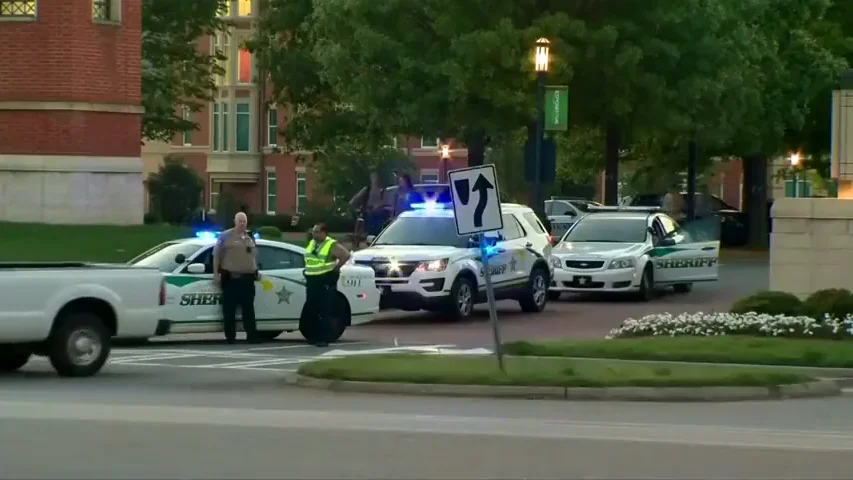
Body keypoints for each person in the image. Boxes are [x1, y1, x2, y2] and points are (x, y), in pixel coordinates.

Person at [300, 222, 351, 347]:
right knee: (311, 309)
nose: (314, 234)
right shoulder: (312, 243)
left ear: (324, 233)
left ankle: (323, 338)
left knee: (324, 310)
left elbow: (346, 255)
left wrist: (336, 269)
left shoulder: (331, 244)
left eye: (317, 231)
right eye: (313, 231)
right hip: (312, 280)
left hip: (324, 280)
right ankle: (313, 336)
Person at [213, 212, 260, 344]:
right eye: (240, 221)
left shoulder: (250, 236)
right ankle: (230, 337)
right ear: (234, 221)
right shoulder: (225, 236)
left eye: (244, 221)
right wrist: (216, 274)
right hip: (231, 278)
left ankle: (252, 336)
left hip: (247, 279)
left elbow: (254, 255)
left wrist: (256, 269)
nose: (242, 223)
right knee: (229, 310)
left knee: (248, 309)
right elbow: (216, 256)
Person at [349, 170, 387, 245]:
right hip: (369, 214)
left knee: (378, 234)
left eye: (375, 177)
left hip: (380, 216)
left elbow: (387, 201)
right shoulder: (367, 189)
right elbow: (354, 201)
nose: (374, 179)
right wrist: (357, 210)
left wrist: (380, 206)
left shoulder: (383, 190)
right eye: (372, 177)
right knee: (368, 232)